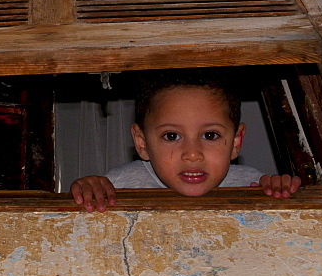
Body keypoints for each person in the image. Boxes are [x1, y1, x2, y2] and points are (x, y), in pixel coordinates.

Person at [70, 72, 302, 212]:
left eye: (210, 135)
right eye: (172, 136)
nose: (192, 154)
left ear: (235, 142)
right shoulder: (118, 186)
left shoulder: (253, 186)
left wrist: (282, 190)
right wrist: (87, 190)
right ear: (142, 142)